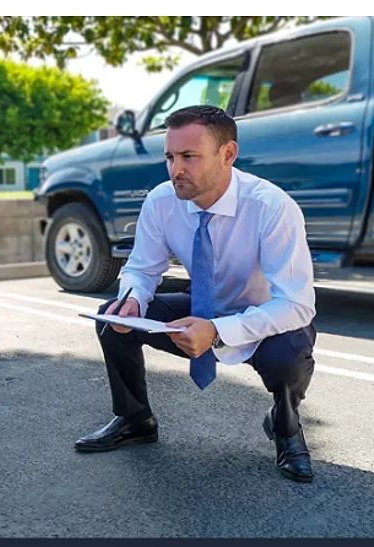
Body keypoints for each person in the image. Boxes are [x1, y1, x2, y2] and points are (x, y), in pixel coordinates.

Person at [74, 105, 317, 483]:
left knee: (289, 353)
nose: (176, 169)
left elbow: (296, 304)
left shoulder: (271, 207)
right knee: (113, 317)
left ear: (228, 154)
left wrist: (217, 330)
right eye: (170, 157)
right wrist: (134, 298)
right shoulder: (161, 201)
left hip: (263, 316)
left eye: (189, 156)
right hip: (202, 304)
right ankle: (135, 419)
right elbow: (142, 268)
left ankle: (285, 426)